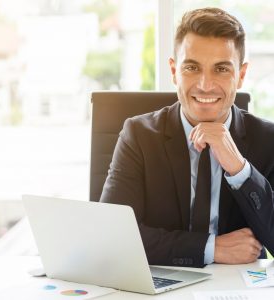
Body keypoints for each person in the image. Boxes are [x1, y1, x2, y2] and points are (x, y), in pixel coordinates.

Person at [100, 7, 274, 268]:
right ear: (173, 71)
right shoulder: (138, 136)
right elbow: (112, 235)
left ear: (241, 75)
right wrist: (211, 248)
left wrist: (240, 169)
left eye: (221, 69)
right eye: (192, 67)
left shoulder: (267, 140)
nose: (205, 84)